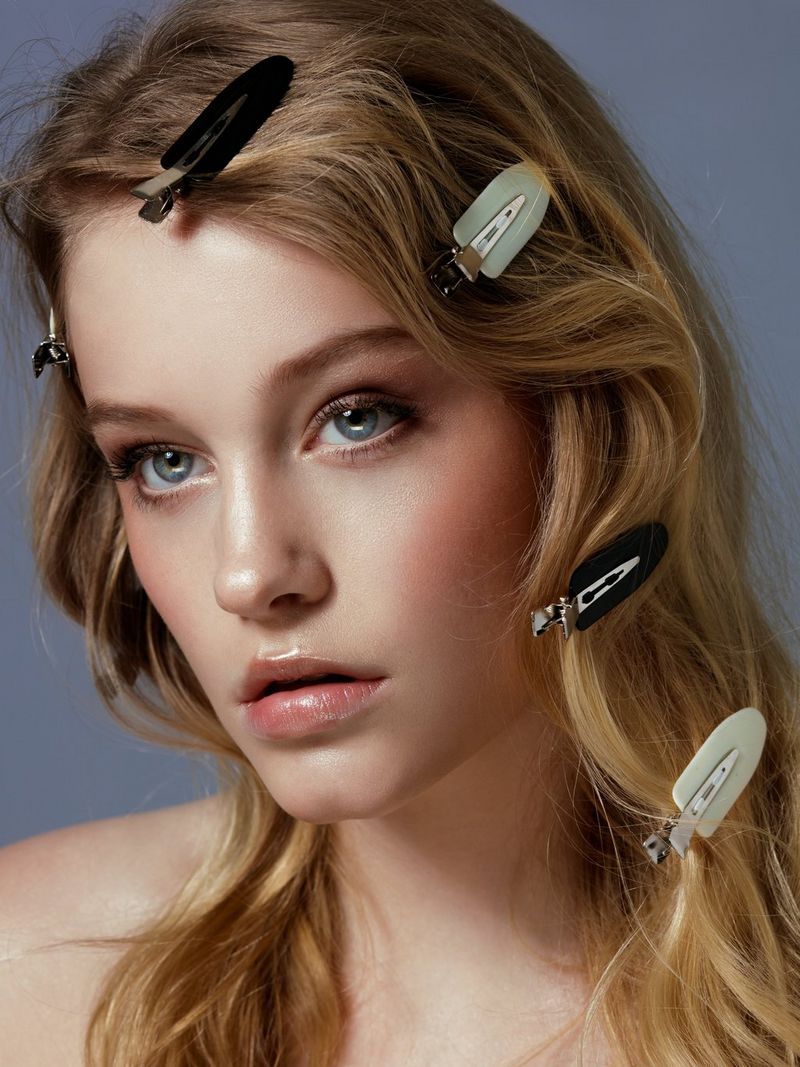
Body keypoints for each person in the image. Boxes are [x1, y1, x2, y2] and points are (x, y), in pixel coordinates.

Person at [0, 0, 798, 1064]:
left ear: (578, 406)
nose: (250, 573)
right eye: (164, 460)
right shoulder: (34, 980)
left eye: (357, 417)